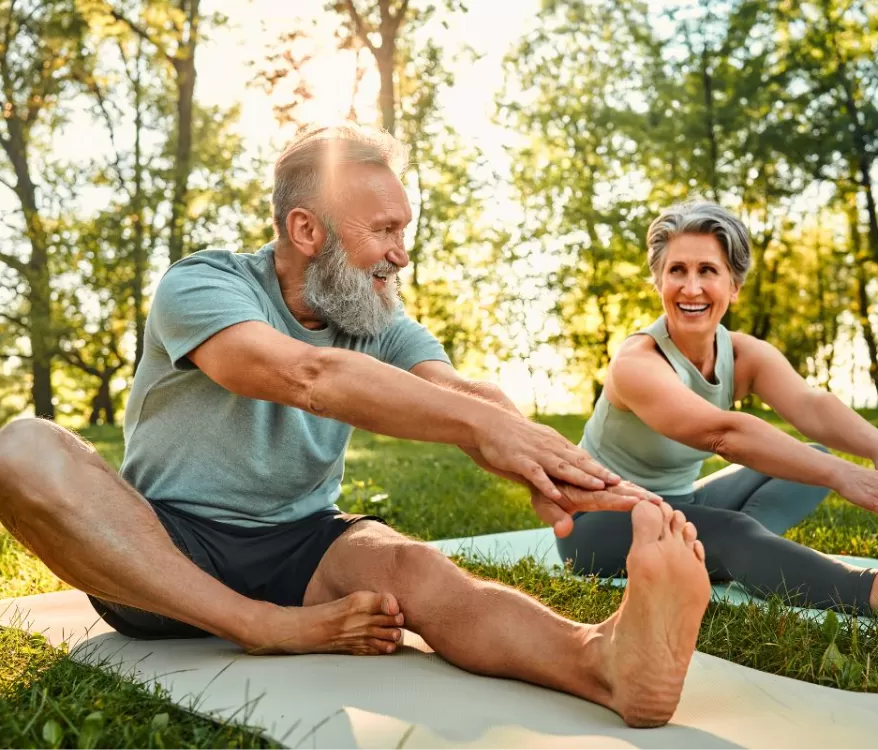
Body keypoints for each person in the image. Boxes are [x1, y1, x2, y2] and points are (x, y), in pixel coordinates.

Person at [0, 125, 715, 728]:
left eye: (403, 229)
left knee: (417, 568)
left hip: (302, 545)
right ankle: (258, 626)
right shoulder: (204, 285)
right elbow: (304, 378)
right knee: (22, 447)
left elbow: (462, 392)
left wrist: (547, 462)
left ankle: (604, 662)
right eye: (385, 230)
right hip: (161, 548)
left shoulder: (375, 315)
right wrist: (473, 426)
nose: (401, 253)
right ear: (305, 230)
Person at [556, 200, 878, 633]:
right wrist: (848, 476)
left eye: (708, 271)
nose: (691, 287)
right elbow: (723, 435)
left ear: (733, 286)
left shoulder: (740, 353)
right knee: (735, 529)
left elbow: (811, 406)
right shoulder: (637, 362)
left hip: (677, 503)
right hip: (595, 522)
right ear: (658, 281)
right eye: (677, 270)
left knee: (805, 461)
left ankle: (723, 552)